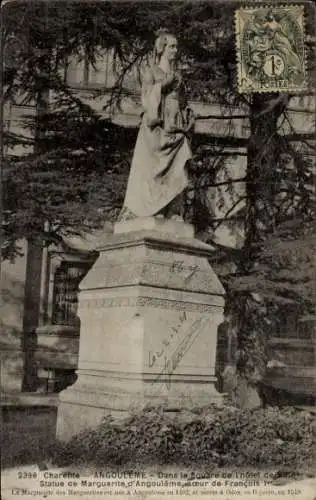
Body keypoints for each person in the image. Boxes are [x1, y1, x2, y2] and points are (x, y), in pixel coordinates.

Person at [118, 31, 194, 221]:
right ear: (161, 49)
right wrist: (162, 86)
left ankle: (173, 210)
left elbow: (183, 102)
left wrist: (188, 115)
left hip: (176, 126)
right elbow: (146, 99)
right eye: (171, 46)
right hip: (157, 126)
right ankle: (154, 208)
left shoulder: (178, 75)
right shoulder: (150, 72)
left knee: (178, 168)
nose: (175, 51)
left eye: (176, 47)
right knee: (155, 168)